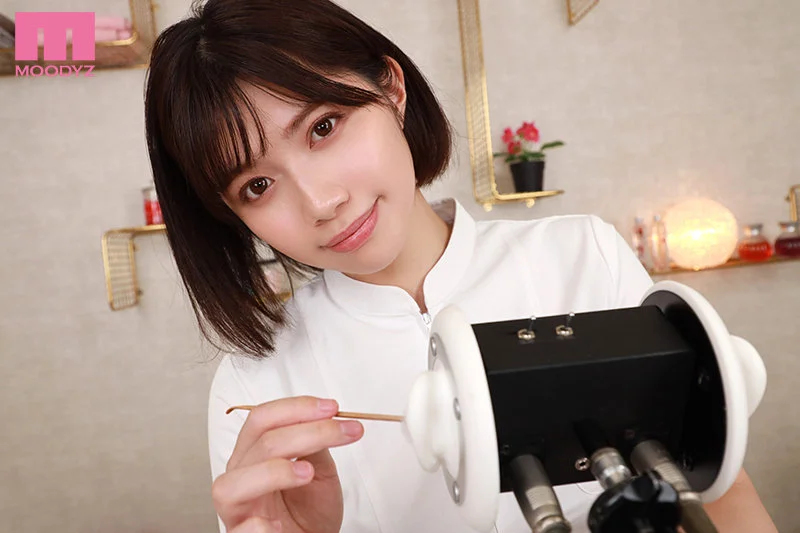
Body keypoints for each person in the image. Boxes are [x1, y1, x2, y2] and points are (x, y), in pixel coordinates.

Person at [143, 1, 778, 532]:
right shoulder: (255, 386)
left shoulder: (583, 256)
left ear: (391, 90)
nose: (321, 202)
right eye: (257, 186)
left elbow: (713, 490)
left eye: (324, 127)